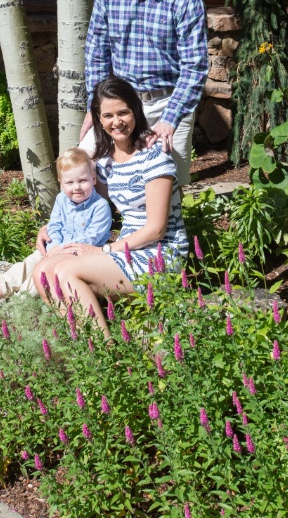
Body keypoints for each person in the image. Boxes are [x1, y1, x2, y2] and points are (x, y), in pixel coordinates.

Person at [34, 77, 188, 337]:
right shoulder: (105, 163)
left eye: (123, 112)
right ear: (98, 119)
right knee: (43, 271)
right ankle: (85, 343)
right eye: (108, 115)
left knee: (67, 270)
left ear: (136, 111)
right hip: (125, 249)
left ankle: (103, 351)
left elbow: (156, 230)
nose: (116, 122)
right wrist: (50, 225)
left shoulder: (156, 158)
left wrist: (101, 250)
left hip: (160, 254)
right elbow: (86, 201)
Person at [80, 0, 208, 186]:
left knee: (168, 191)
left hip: (168, 103)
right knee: (85, 173)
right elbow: (96, 56)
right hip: (119, 105)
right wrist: (96, 107)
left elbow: (195, 68)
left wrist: (169, 120)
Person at [0, 147, 111, 307]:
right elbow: (54, 225)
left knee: (41, 273)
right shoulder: (61, 199)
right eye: (70, 182)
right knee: (28, 263)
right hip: (54, 249)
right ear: (61, 184)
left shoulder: (100, 206)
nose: (77, 187)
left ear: (93, 179)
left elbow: (93, 237)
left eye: (82, 181)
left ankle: (17, 303)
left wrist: (61, 250)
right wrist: (55, 246)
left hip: (79, 256)